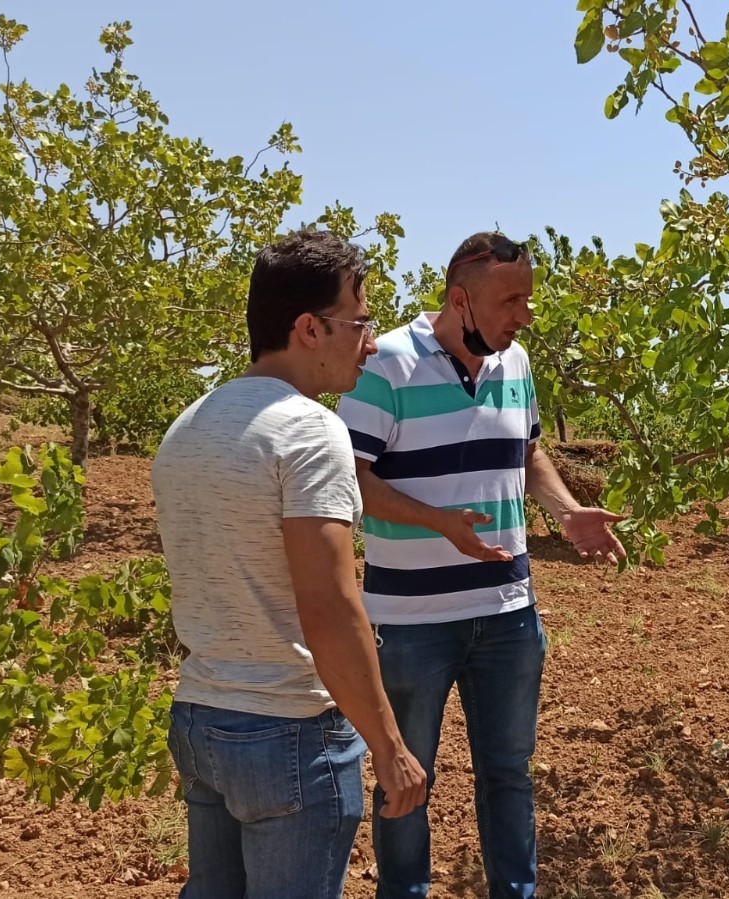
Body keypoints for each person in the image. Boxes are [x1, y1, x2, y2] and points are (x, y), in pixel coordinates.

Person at [336, 231, 625, 899]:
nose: (524, 315)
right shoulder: (387, 365)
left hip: (507, 616)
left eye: (528, 298)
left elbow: (526, 452)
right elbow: (352, 478)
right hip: (411, 623)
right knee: (407, 775)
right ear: (460, 300)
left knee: (510, 771)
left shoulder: (515, 362)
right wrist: (438, 522)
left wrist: (565, 510)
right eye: (511, 300)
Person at [152, 229, 427, 899]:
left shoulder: (190, 424)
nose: (371, 341)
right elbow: (329, 606)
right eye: (360, 321)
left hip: (201, 715)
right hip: (288, 733)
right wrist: (389, 746)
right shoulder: (309, 430)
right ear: (309, 327)